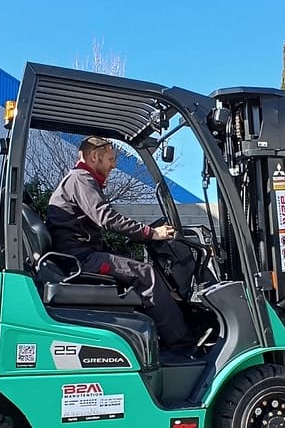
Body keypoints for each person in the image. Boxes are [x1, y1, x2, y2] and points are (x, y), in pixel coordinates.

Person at [46, 136, 192, 351]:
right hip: (80, 259)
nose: (114, 165)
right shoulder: (81, 179)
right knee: (146, 275)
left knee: (133, 265)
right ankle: (182, 345)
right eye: (111, 159)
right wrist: (151, 233)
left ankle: (163, 331)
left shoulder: (79, 180)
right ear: (95, 156)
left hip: (78, 254)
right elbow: (107, 219)